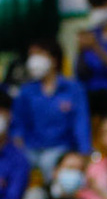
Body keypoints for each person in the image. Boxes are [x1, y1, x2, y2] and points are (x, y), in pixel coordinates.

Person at [11, 39, 91, 175]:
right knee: (16, 164)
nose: (34, 60)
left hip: (62, 148)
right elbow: (18, 123)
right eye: (31, 55)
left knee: (50, 162)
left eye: (39, 54)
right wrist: (17, 146)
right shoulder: (26, 91)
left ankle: (54, 195)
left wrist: (84, 152)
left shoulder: (73, 89)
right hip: (31, 148)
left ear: (54, 59)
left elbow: (81, 122)